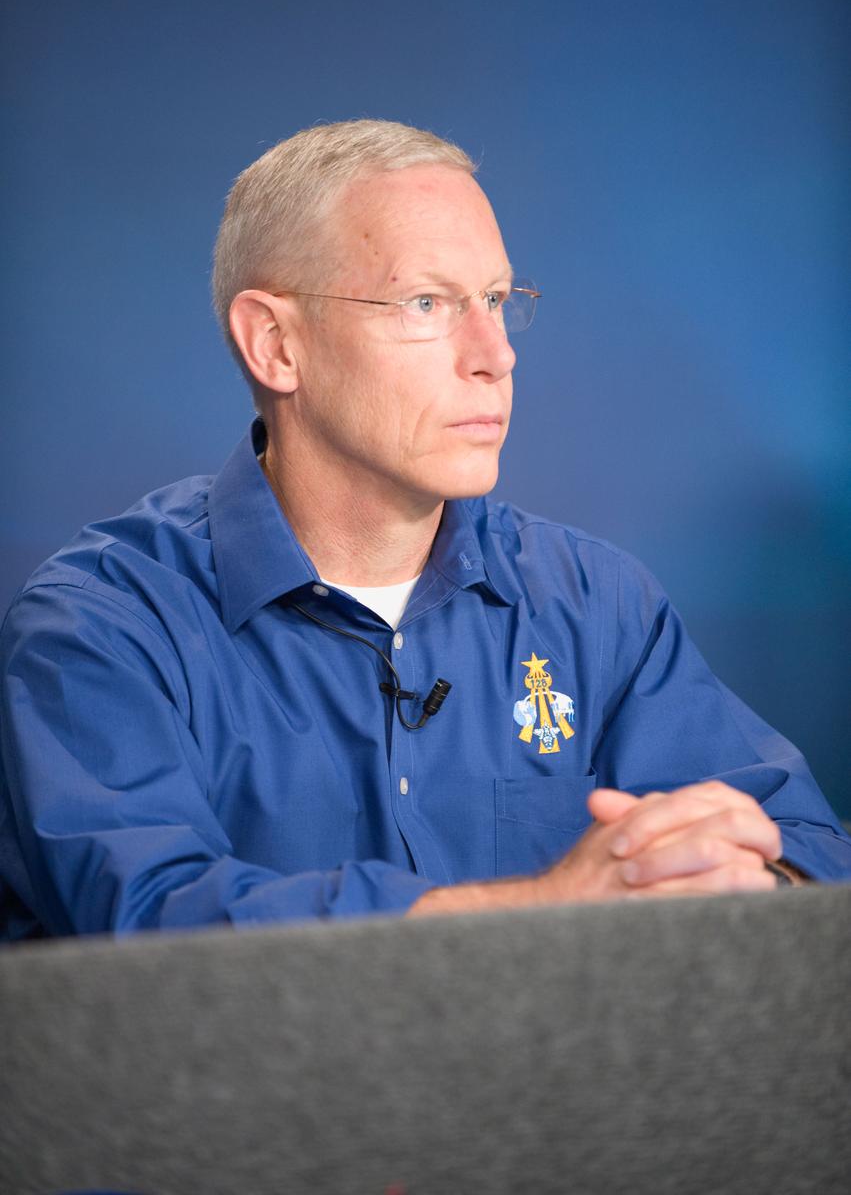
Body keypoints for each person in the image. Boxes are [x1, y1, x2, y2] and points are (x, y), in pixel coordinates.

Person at [1, 120, 849, 940]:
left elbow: (804, 847)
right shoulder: (98, 628)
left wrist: (744, 881)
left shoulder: (594, 604)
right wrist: (552, 909)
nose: (494, 353)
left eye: (493, 299)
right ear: (275, 345)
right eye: (425, 302)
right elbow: (148, 923)